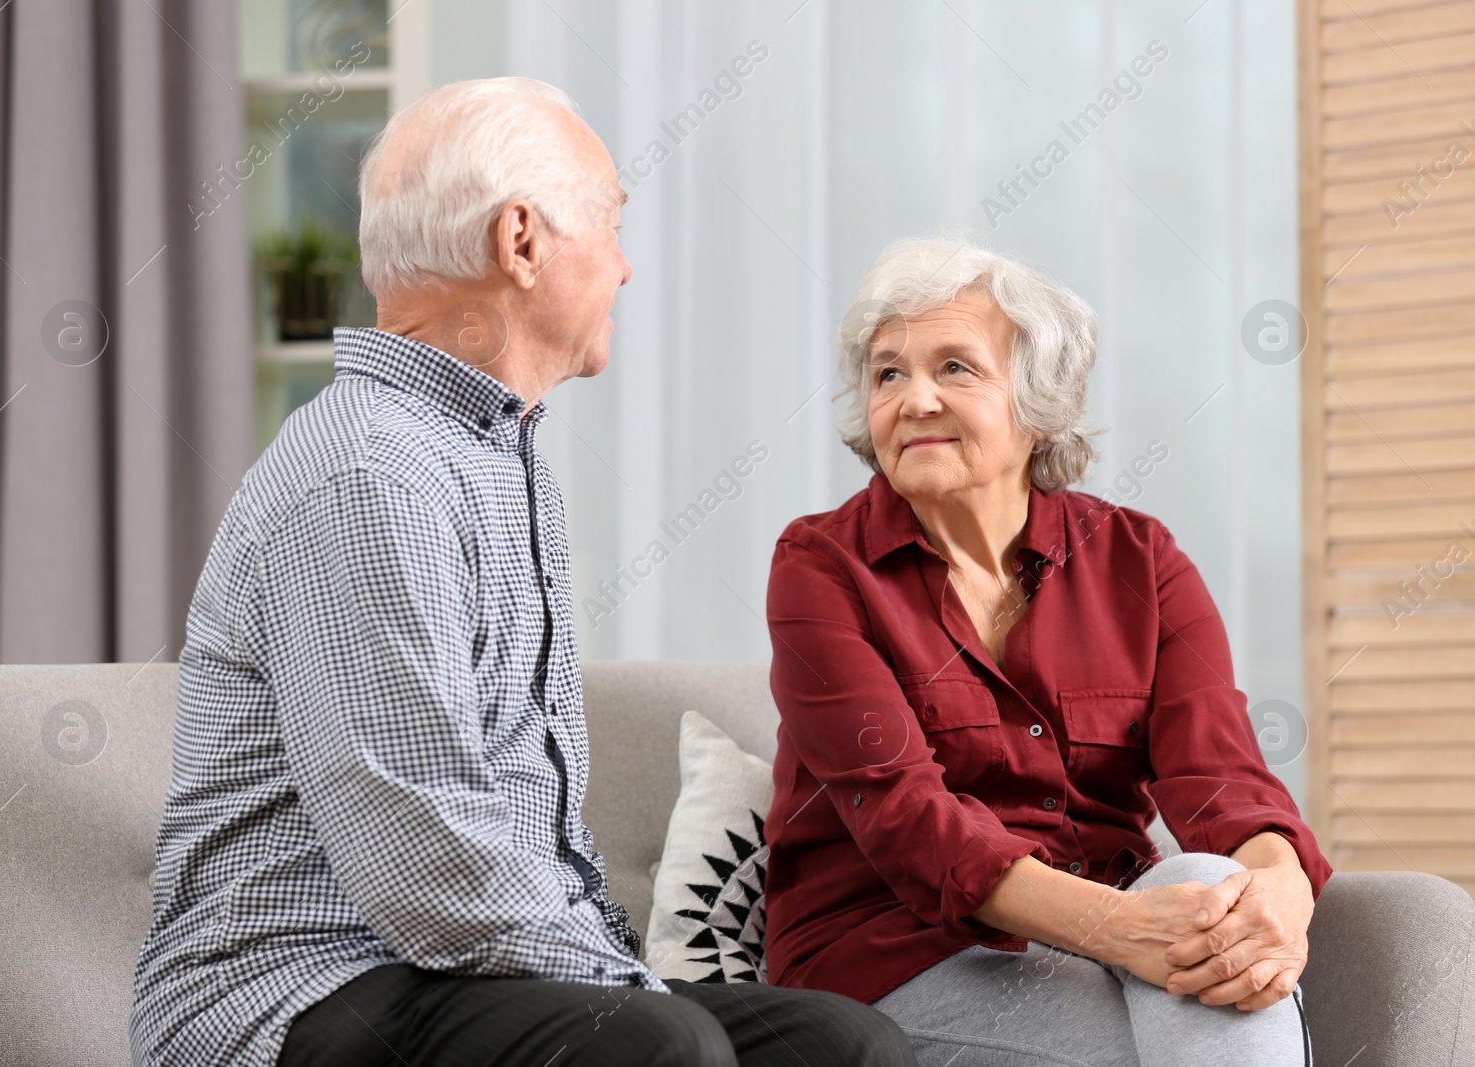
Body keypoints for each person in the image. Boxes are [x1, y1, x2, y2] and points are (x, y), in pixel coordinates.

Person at [127, 77, 915, 1067]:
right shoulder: (368, 476)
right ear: (521, 241)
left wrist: (633, 986)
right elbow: (428, 869)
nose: (625, 267)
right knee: (659, 1045)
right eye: (609, 221)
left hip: (458, 977)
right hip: (301, 990)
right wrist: (633, 989)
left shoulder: (497, 457)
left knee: (846, 1044)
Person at [762, 234, 1331, 1066]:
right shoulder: (819, 566)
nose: (913, 399)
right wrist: (1125, 929)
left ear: (1035, 405)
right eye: (888, 373)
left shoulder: (1143, 560)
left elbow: (1222, 777)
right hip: (899, 951)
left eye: (954, 368)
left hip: (1117, 938)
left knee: (1206, 881)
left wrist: (1280, 893)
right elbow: (905, 818)